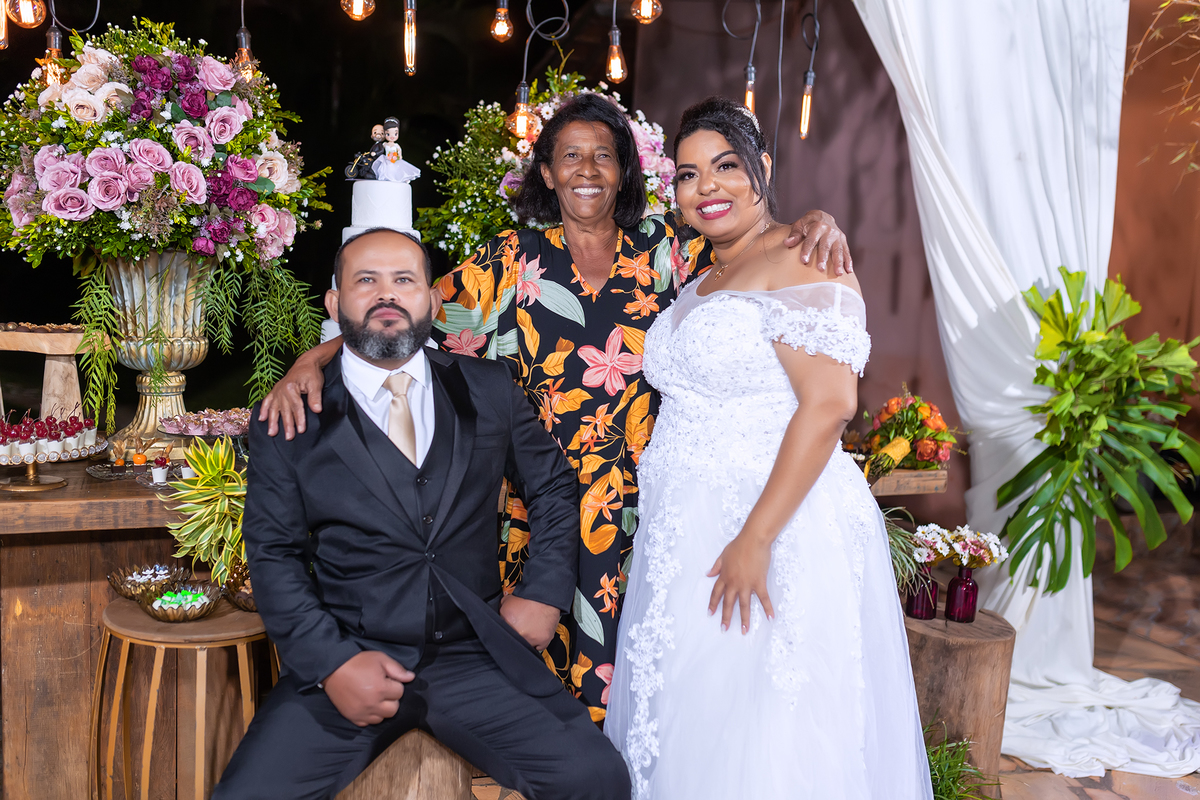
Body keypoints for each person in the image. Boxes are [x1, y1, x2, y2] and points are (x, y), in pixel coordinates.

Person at [258, 93, 853, 718]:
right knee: (537, 695)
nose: (587, 170)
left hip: (650, 510)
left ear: (624, 171)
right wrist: (312, 359)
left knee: (653, 684)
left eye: (604, 156)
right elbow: (399, 311)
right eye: (570, 156)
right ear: (547, 172)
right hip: (541, 514)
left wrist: (815, 223)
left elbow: (755, 254)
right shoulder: (509, 261)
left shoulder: (670, 250)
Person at [213, 228, 630, 800]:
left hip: (476, 654)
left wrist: (543, 592)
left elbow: (554, 486)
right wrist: (331, 664)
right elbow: (273, 555)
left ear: (432, 301)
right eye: (366, 280)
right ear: (334, 302)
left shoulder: (487, 388)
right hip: (352, 654)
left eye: (404, 280)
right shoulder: (291, 415)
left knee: (597, 779)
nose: (386, 294)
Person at [602, 97, 932, 799]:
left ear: (764, 169)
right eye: (688, 175)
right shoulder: (700, 278)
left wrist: (756, 538)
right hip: (687, 531)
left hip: (773, 526)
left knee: (767, 733)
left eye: (726, 166)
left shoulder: (806, 256)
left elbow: (831, 405)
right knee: (697, 721)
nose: (707, 187)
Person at [371, 116, 421, 183]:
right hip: (387, 160)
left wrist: (400, 155)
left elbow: (399, 151)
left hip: (394, 160)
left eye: (395, 134)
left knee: (398, 170)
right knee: (386, 170)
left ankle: (403, 179)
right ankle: (386, 178)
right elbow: (380, 149)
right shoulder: (385, 144)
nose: (392, 136)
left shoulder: (396, 145)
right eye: (388, 134)